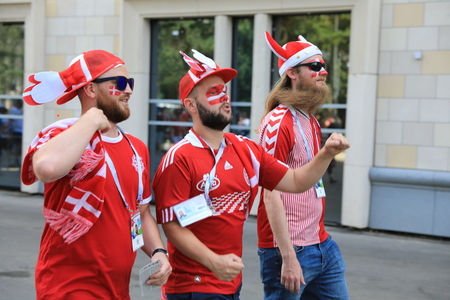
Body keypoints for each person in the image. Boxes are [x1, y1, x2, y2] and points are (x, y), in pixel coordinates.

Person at [152, 49, 349, 299]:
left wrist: (327, 153)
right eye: (213, 92)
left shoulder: (245, 149)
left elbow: (296, 181)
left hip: (231, 283)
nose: (224, 97)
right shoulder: (179, 157)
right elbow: (172, 226)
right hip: (193, 286)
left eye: (224, 91)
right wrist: (214, 262)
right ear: (190, 104)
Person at [21, 49, 171, 299]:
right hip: (68, 288)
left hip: (117, 290)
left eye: (130, 83)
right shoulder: (64, 135)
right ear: (90, 89)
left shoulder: (137, 148)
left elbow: (140, 212)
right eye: (120, 83)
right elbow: (46, 168)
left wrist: (158, 251)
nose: (129, 90)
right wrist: (91, 120)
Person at [257, 31, 350, 299]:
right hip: (289, 250)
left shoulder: (310, 119)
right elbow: (269, 191)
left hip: (321, 243)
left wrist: (329, 153)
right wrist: (288, 257)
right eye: (315, 66)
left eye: (324, 66)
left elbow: (309, 175)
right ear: (293, 74)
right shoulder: (278, 123)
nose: (323, 72)